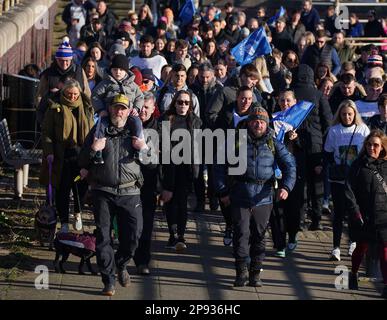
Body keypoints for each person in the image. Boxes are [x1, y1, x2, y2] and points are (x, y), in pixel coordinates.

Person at [78, 93, 153, 296]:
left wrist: (144, 148)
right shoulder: (99, 130)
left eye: (123, 108)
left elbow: (152, 162)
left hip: (131, 191)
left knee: (134, 237)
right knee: (103, 237)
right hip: (103, 191)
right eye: (116, 107)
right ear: (110, 109)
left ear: (129, 111)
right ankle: (108, 279)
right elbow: (82, 159)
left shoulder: (137, 131)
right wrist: (94, 149)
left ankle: (121, 263)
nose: (119, 112)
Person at [213, 106, 296, 287]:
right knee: (241, 233)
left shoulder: (274, 143)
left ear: (267, 124)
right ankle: (241, 270)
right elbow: (218, 165)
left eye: (262, 122)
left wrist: (287, 188)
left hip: (264, 196)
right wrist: (222, 192)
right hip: (240, 193)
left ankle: (255, 273)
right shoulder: (235, 141)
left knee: (259, 235)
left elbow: (290, 165)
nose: (258, 124)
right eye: (255, 121)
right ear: (249, 122)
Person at [40, 79, 94, 233]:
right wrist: (49, 152)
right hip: (61, 155)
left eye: (75, 94)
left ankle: (78, 212)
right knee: (63, 189)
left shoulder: (86, 107)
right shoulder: (55, 108)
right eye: (69, 94)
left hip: (81, 155)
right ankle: (63, 221)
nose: (72, 97)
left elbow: (91, 131)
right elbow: (47, 133)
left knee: (81, 187)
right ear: (64, 92)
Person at [324, 100, 370, 261]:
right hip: (338, 179)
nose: (347, 117)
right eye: (344, 114)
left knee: (354, 212)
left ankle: (353, 242)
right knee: (338, 213)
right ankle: (335, 247)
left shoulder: (363, 129)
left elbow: (367, 152)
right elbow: (328, 152)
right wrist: (337, 165)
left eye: (350, 114)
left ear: (355, 114)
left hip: (356, 179)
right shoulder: (334, 130)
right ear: (339, 115)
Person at [345, 130, 387, 299]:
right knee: (361, 247)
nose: (371, 148)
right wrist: (355, 212)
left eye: (375, 145)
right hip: (363, 215)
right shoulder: (357, 165)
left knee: (385, 250)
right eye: (369, 145)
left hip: (384, 215)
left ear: (382, 147)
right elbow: (348, 190)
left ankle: (386, 285)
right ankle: (353, 273)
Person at [160, 90, 202, 252]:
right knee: (170, 202)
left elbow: (198, 148)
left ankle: (181, 235)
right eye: (180, 102)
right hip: (169, 166)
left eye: (186, 102)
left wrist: (196, 171)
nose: (183, 105)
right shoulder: (166, 119)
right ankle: (172, 233)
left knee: (182, 203)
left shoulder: (195, 121)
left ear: (190, 104)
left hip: (186, 167)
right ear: (174, 103)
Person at [133, 92, 159, 275]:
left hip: (149, 184)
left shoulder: (160, 130)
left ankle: (143, 260)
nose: (143, 111)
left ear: (153, 108)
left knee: (147, 225)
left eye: (147, 108)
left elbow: (167, 161)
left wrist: (165, 187)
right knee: (130, 224)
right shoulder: (129, 126)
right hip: (128, 183)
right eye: (141, 107)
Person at [36, 41, 91, 107]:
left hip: (75, 109)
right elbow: (40, 96)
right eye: (61, 60)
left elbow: (86, 93)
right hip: (53, 111)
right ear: (56, 59)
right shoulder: (47, 74)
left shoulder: (79, 71)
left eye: (67, 60)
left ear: (71, 59)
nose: (64, 63)